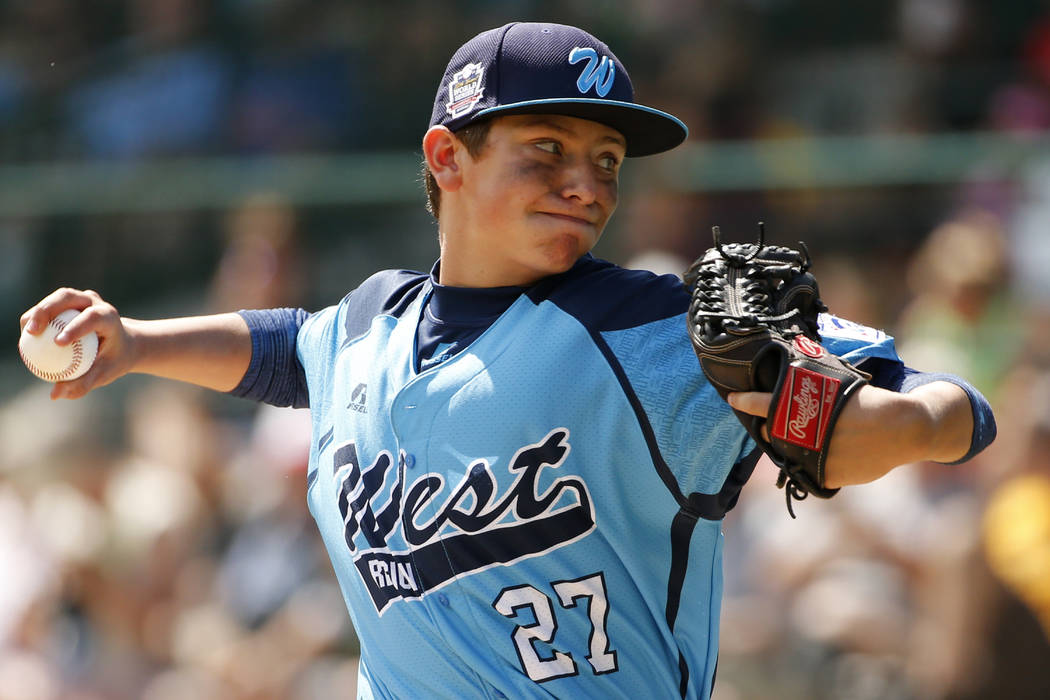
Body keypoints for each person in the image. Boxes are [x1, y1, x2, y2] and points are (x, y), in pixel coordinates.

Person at [20, 22, 995, 700]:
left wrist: (809, 403)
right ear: (447, 157)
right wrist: (139, 343)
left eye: (606, 162)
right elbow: (287, 350)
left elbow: (940, 415)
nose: (585, 185)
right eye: (547, 149)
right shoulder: (367, 326)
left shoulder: (648, 324)